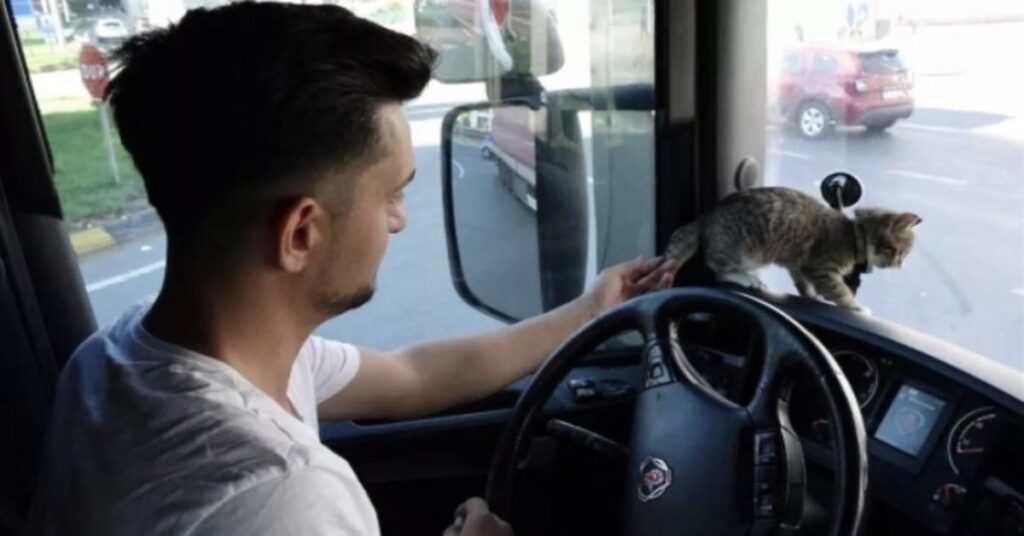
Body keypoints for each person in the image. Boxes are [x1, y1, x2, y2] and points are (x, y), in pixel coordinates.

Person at [28, 3, 677, 535]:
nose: (400, 220)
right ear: (301, 233)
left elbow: (415, 375)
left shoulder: (115, 358)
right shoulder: (281, 493)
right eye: (392, 195)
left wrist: (591, 308)